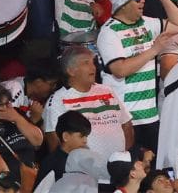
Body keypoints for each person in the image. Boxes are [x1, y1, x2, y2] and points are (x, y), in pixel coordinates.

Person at [96, 0, 178, 149]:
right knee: (131, 171)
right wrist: (154, 50)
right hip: (126, 120)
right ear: (123, 3)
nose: (143, 0)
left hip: (151, 116)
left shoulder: (147, 23)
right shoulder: (109, 32)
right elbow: (120, 69)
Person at [43, 47, 133, 178]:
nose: (93, 67)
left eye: (93, 62)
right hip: (86, 179)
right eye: (86, 63)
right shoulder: (58, 100)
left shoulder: (107, 91)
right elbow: (55, 142)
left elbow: (126, 125)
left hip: (118, 175)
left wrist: (123, 160)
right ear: (71, 71)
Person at [0, 83, 45, 184]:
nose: (5, 108)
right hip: (4, 184)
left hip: (31, 178)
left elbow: (38, 141)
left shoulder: (17, 115)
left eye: (8, 103)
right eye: (0, 105)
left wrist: (17, 119)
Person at [34, 110, 91, 192]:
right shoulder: (51, 165)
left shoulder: (82, 161)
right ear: (66, 136)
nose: (85, 140)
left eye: (86, 136)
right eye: (81, 136)